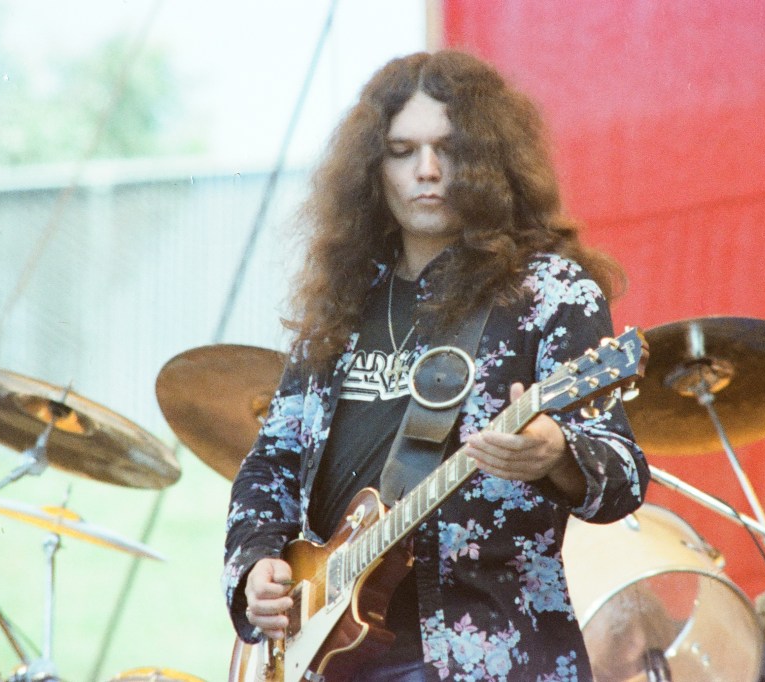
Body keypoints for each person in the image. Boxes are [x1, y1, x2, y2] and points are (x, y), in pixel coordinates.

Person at [222, 50, 649, 682]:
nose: (427, 170)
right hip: (328, 657)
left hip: (492, 651)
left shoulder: (552, 293)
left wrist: (557, 454)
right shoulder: (345, 300)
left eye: (449, 150)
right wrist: (257, 563)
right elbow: (272, 460)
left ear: (489, 162)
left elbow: (624, 474)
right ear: (373, 169)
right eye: (402, 151)